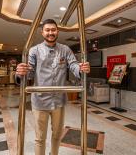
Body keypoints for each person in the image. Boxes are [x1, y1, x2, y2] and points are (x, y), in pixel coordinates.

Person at [16, 19, 90, 155]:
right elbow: (30, 72)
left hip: (59, 101)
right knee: (40, 138)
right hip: (40, 101)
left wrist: (80, 68)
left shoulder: (65, 49)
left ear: (58, 31)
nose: (51, 33)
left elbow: (73, 65)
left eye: (53, 30)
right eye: (47, 30)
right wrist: (21, 73)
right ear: (42, 32)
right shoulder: (34, 50)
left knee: (57, 136)